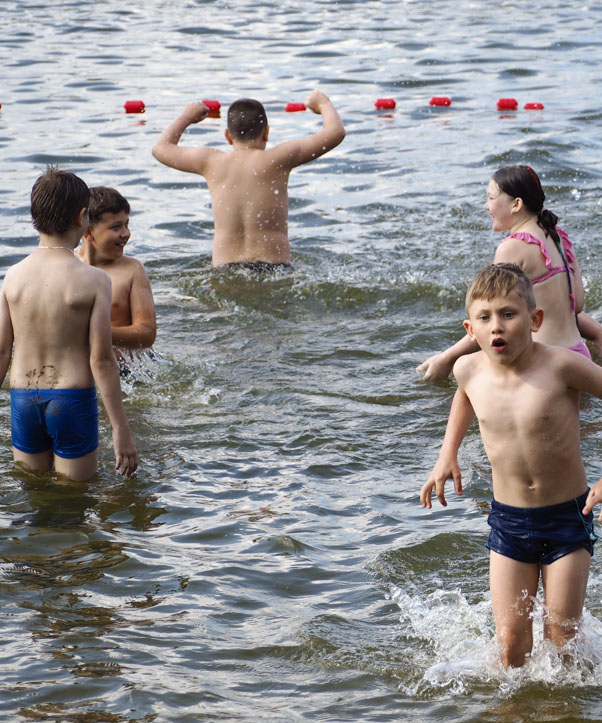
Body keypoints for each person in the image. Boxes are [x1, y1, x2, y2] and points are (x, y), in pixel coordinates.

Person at [420, 263, 602, 668]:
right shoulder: (468, 369)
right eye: (485, 318)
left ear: (534, 320)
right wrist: (447, 453)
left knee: (562, 640)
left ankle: (573, 702)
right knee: (510, 644)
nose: (496, 326)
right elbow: (465, 395)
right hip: (509, 521)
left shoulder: (561, 366)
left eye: (508, 314)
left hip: (567, 518)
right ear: (470, 330)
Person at [0, 168, 138, 480]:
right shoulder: (95, 280)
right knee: (76, 498)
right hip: (71, 399)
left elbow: (2, 351)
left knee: (35, 491)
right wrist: (121, 429)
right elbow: (102, 360)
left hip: (23, 397)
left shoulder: (13, 276)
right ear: (81, 217)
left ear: (35, 216)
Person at [417, 165, 602, 380]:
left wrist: (447, 357)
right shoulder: (558, 237)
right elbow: (577, 305)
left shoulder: (512, 247)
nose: (486, 206)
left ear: (516, 204)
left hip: (544, 365)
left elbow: (493, 317)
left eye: (491, 198)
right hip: (579, 356)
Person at [152, 90, 345, 269]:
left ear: (228, 136)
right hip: (274, 269)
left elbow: (160, 148)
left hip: (226, 271)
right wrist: (324, 104)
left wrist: (187, 117)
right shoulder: (278, 159)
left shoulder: (210, 162)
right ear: (266, 133)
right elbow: (335, 132)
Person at [77, 187, 157, 353]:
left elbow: (147, 333)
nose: (126, 233)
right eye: (116, 227)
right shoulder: (67, 266)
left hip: (123, 367)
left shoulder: (132, 270)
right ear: (88, 232)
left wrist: (95, 332)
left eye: (126, 225)